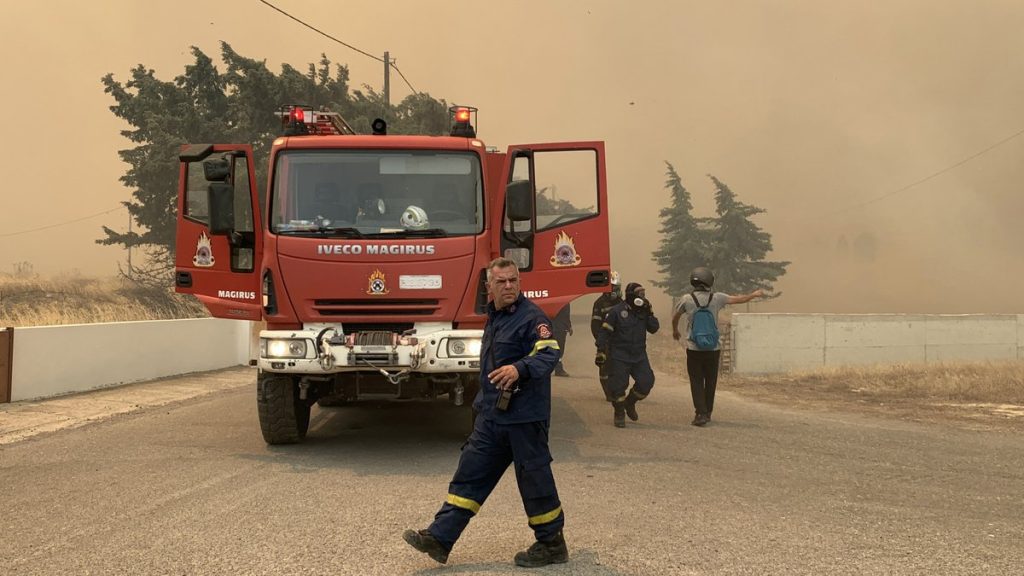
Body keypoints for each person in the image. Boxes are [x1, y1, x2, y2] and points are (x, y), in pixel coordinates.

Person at [403, 257, 568, 568]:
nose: (508, 286)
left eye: (513, 281)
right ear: (489, 287)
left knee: (534, 480)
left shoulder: (532, 318)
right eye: (501, 282)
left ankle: (552, 544)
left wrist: (520, 368)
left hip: (524, 419)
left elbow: (548, 353)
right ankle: (439, 538)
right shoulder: (495, 317)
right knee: (469, 476)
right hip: (492, 417)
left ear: (520, 283)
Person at [671, 267, 764, 427]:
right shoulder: (717, 298)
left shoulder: (686, 299)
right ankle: (708, 412)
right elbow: (740, 299)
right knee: (711, 380)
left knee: (696, 381)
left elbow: (676, 316)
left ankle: (700, 413)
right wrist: (753, 295)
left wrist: (675, 331)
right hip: (713, 349)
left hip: (694, 349)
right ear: (709, 281)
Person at [595, 282, 660, 428]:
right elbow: (604, 332)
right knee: (617, 387)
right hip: (619, 355)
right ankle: (619, 413)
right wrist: (600, 351)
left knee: (646, 382)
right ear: (631, 296)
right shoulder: (617, 312)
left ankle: (630, 403)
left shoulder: (643, 311)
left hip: (639, 356)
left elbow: (654, 328)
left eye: (644, 294)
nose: (643, 297)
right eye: (640, 294)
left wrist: (649, 312)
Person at [590, 271, 622, 400]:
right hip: (605, 341)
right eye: (613, 288)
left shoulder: (622, 303)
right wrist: (601, 342)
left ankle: (617, 390)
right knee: (604, 366)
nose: (615, 291)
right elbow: (595, 325)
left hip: (619, 342)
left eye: (617, 288)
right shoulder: (599, 303)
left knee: (619, 367)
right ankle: (608, 392)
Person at [552, 304, 572, 377]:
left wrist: (569, 326)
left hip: (561, 328)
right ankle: (558, 369)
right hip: (553, 327)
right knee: (554, 349)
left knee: (560, 349)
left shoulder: (565, 302)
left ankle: (558, 368)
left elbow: (566, 315)